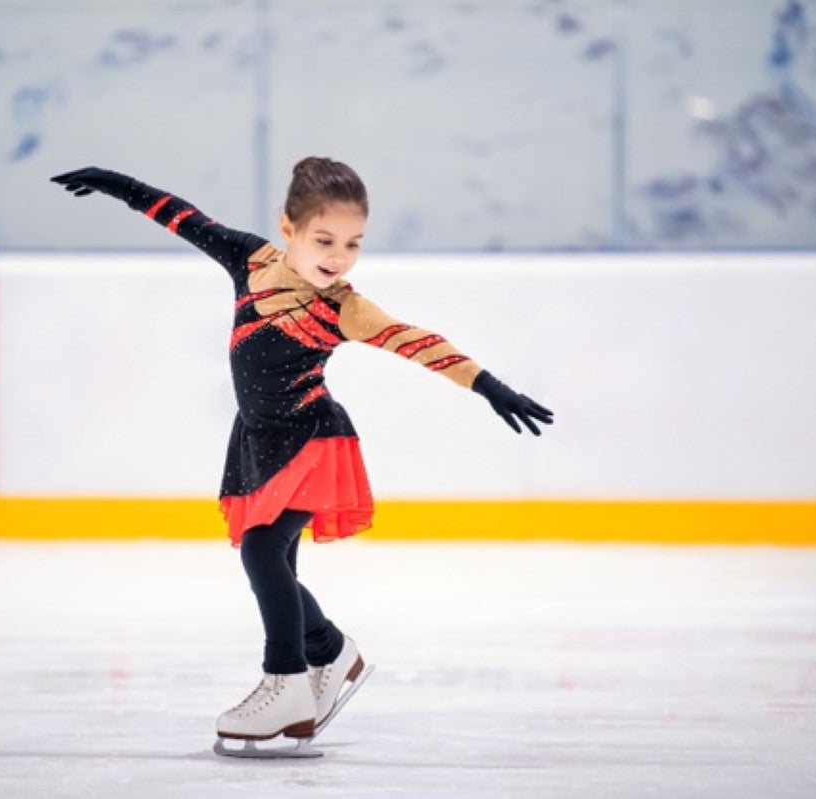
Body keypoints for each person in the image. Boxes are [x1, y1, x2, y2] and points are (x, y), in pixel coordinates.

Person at [51, 158, 553, 751]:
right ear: (288, 230)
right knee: (275, 562)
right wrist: (118, 185)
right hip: (259, 441)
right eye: (324, 240)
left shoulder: (345, 307)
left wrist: (489, 386)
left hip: (313, 440)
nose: (338, 257)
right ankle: (330, 651)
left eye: (352, 244)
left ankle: (286, 681)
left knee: (264, 552)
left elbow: (419, 343)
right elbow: (184, 218)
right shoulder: (252, 260)